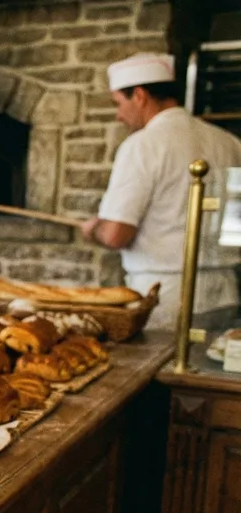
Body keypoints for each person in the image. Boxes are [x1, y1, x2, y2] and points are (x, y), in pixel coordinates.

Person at [82, 52, 241, 330]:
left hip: (164, 297)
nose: (119, 115)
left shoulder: (142, 145)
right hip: (225, 293)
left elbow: (116, 234)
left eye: (119, 103)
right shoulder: (230, 143)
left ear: (140, 95)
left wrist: (94, 229)